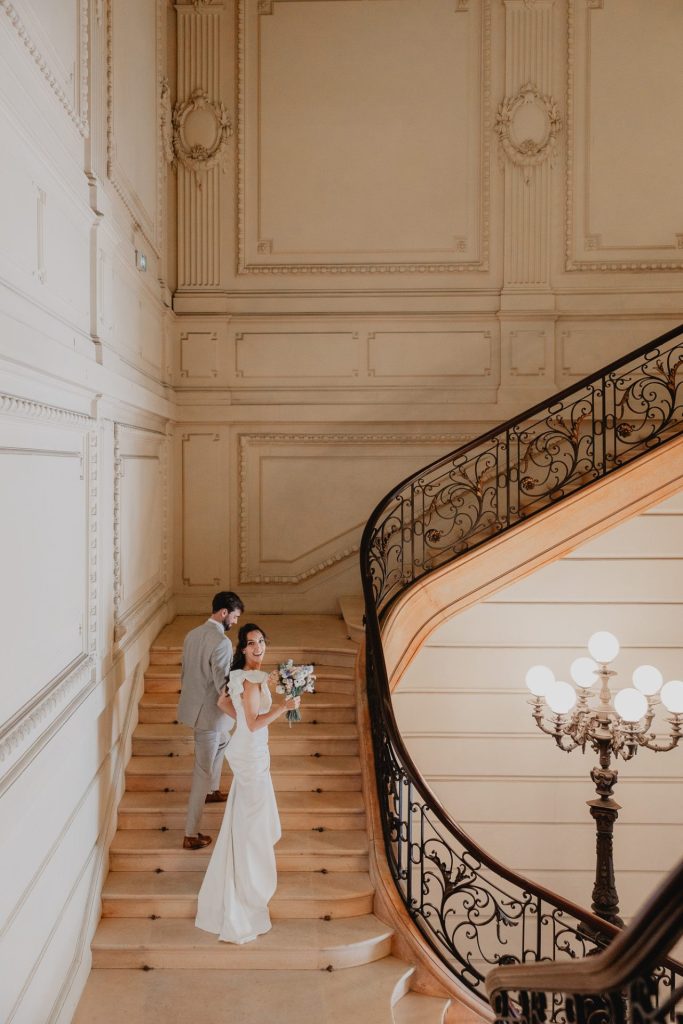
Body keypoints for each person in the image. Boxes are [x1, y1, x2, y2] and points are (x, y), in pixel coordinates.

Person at [195, 623, 301, 944]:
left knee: (247, 815)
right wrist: (284, 708)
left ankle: (238, 873)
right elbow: (254, 724)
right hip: (251, 752)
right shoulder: (251, 680)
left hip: (246, 750)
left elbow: (223, 705)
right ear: (242, 648)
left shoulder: (244, 676)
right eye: (251, 643)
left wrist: (247, 715)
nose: (258, 647)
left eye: (261, 642)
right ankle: (249, 885)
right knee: (253, 822)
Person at [177, 591, 244, 850]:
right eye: (235, 616)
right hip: (209, 716)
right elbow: (222, 684)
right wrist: (242, 691)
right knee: (201, 772)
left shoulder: (192, 634)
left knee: (225, 740)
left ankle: (213, 790)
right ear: (224, 612)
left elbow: (186, 673)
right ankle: (190, 834)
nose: (235, 622)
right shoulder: (222, 642)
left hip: (194, 707)